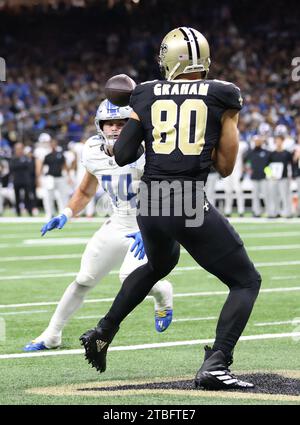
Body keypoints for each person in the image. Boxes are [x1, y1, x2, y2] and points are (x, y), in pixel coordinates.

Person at [80, 27, 261, 390]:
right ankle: (217, 363)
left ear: (168, 58)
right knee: (245, 281)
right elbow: (225, 166)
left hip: (150, 201)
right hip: (187, 198)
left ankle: (103, 331)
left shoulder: (144, 93)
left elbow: (125, 154)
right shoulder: (223, 94)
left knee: (160, 264)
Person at [23, 99, 173, 352]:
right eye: (109, 123)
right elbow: (85, 190)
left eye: (121, 124)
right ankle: (52, 335)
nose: (115, 129)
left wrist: (151, 227)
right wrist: (67, 213)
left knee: (129, 277)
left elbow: (169, 193)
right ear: (99, 126)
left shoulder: (152, 150)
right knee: (83, 279)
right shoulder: (92, 150)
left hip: (148, 223)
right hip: (117, 222)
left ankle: (163, 292)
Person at [266, 135, 293, 218]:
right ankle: (274, 212)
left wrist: (290, 175)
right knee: (273, 195)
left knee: (285, 195)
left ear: (282, 141)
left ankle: (287, 213)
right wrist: (270, 175)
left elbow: (290, 165)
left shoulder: (287, 153)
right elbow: (267, 166)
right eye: (276, 140)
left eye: (279, 140)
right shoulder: (272, 154)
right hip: (274, 178)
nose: (278, 142)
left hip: (284, 177)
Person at [245, 135, 270, 217]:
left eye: (259, 141)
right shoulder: (250, 153)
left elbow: (270, 164)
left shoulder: (266, 152)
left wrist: (269, 174)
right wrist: (248, 169)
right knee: (255, 196)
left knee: (266, 195)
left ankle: (270, 211)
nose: (257, 142)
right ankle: (257, 212)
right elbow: (246, 162)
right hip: (254, 177)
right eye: (256, 141)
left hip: (264, 177)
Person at [9, 143, 33, 216]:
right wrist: (22, 164)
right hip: (17, 180)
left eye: (20, 148)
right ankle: (18, 212)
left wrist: (20, 164)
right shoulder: (13, 158)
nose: (19, 150)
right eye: (18, 149)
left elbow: (29, 166)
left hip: (25, 180)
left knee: (27, 197)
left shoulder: (25, 157)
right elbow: (12, 167)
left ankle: (29, 211)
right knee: (17, 197)